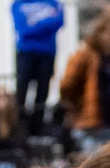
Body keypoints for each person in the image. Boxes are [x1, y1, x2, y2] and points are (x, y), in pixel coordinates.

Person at [59, 13, 110, 152]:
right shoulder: (85, 54)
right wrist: (77, 109)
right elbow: (67, 86)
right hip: (92, 126)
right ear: (100, 33)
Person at [12, 0, 66, 133]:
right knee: (21, 92)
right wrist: (45, 24)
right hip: (25, 53)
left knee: (43, 92)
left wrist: (35, 24)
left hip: (47, 53)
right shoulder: (18, 5)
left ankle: (38, 127)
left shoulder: (53, 3)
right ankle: (19, 127)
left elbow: (59, 22)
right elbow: (23, 30)